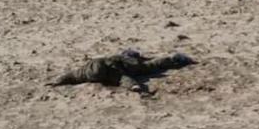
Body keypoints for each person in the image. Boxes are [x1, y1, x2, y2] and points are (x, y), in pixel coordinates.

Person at [47, 49, 195, 93]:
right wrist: (135, 87)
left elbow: (72, 75)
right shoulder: (119, 62)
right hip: (113, 65)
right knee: (150, 66)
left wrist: (56, 82)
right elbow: (125, 79)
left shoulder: (87, 71)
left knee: (149, 66)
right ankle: (175, 58)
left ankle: (175, 58)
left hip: (109, 66)